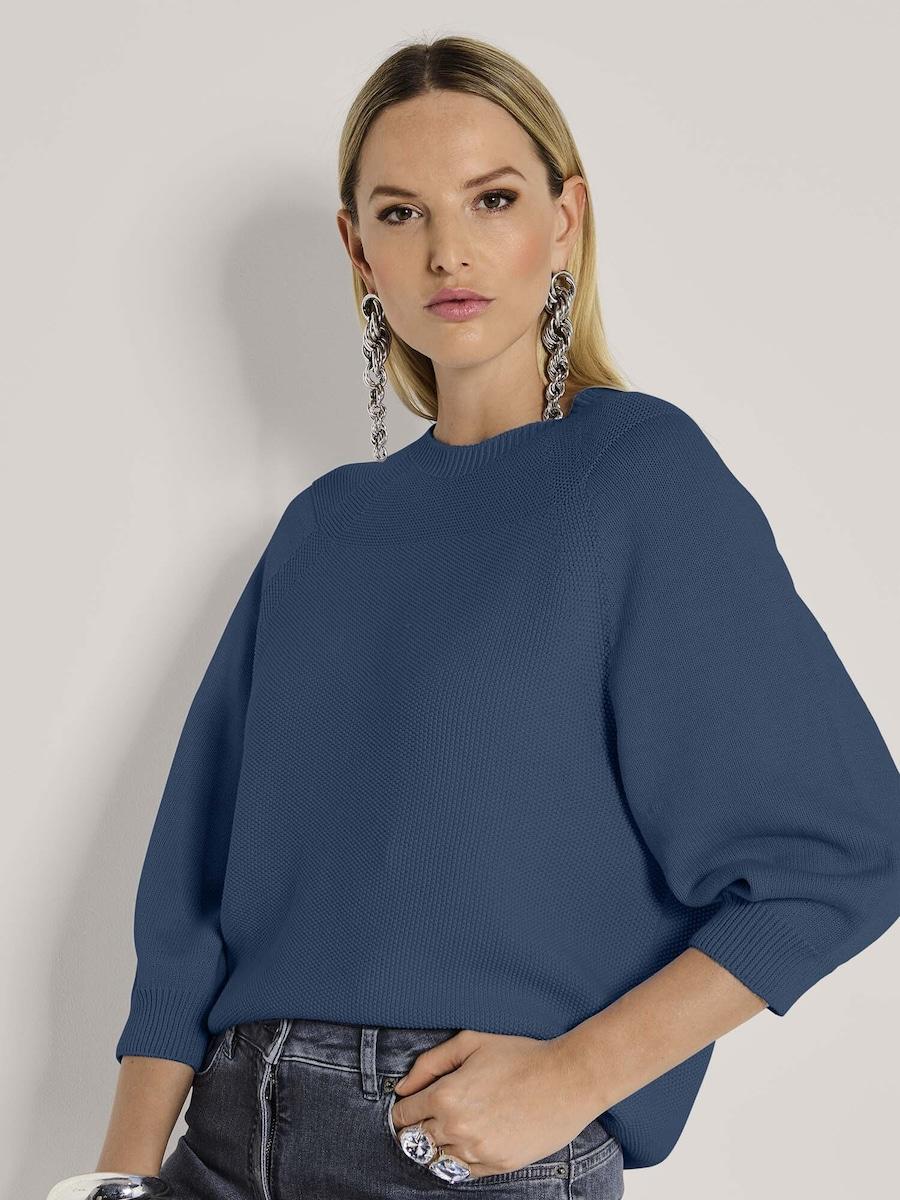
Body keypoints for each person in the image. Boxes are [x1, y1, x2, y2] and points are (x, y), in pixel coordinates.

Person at [84, 34, 898, 1200]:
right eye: (401, 213)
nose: (448, 251)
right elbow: (189, 893)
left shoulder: (637, 479)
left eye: (493, 199)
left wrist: (574, 1078)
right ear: (356, 247)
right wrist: (117, 1179)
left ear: (566, 220)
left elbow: (841, 853)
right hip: (221, 1142)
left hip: (457, 1153)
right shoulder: (324, 527)